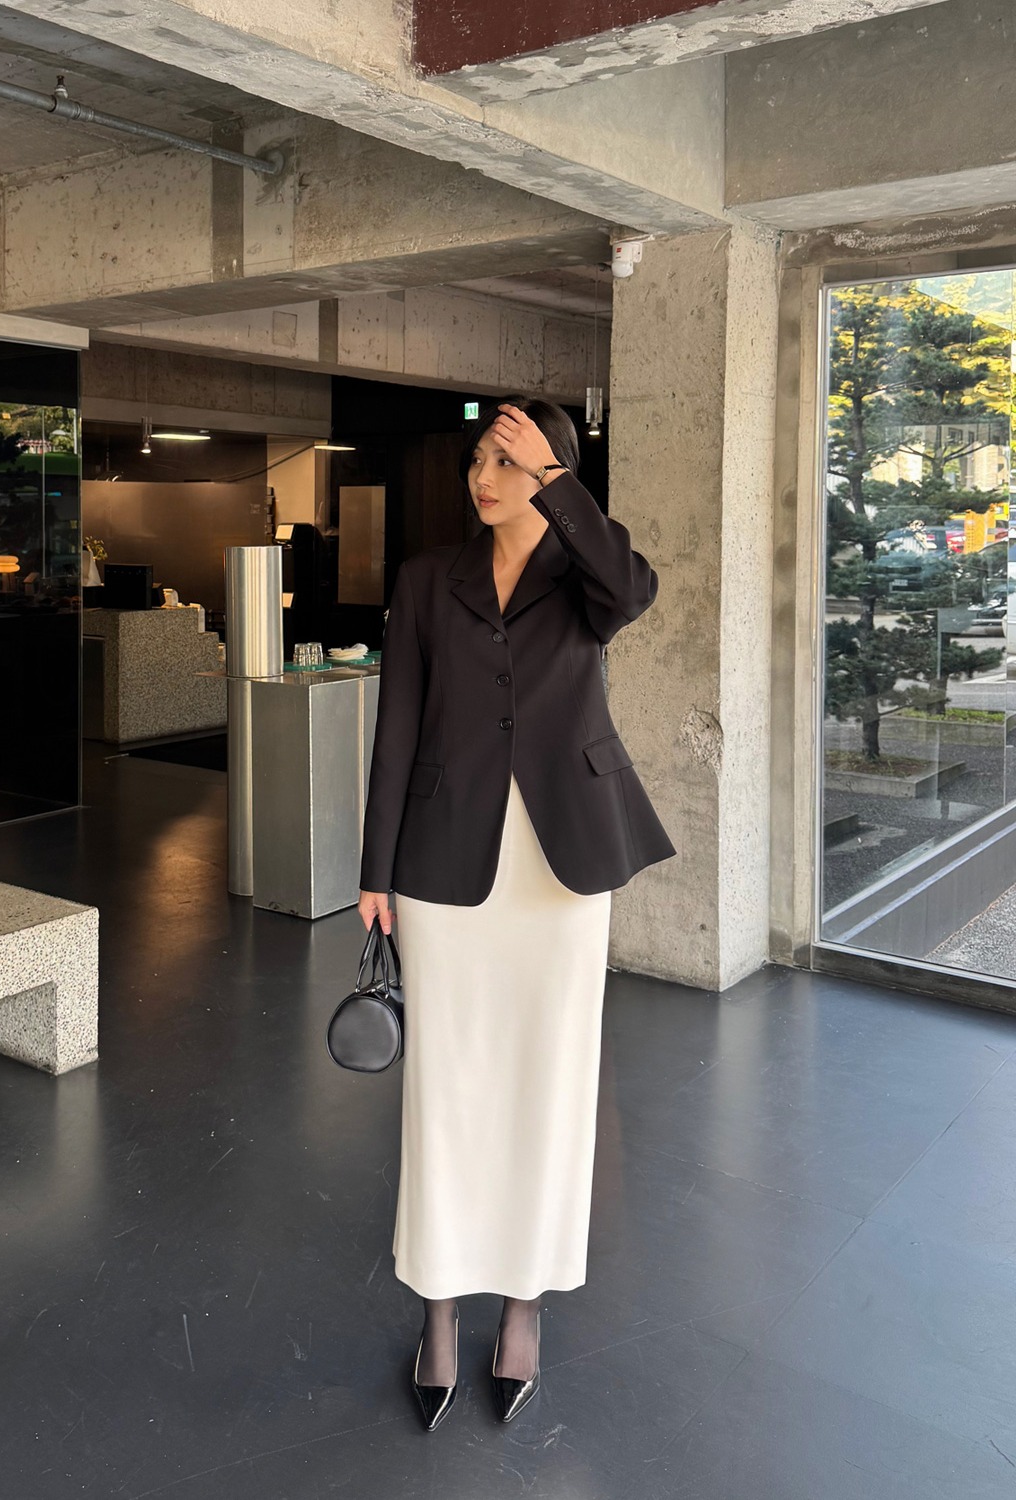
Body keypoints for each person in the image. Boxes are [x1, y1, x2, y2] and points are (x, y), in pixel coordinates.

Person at [357, 396, 674, 1431]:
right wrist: (373, 869)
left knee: (550, 1085)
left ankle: (525, 1302)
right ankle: (441, 1308)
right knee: (447, 1090)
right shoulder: (426, 580)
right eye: (479, 462)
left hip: (560, 871)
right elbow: (398, 726)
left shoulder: (587, 579)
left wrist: (560, 481)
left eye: (509, 462)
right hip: (444, 863)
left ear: (547, 472)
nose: (483, 480)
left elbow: (634, 589)